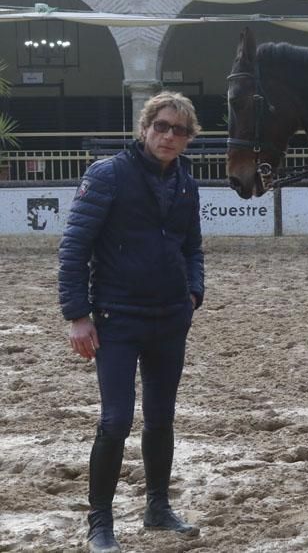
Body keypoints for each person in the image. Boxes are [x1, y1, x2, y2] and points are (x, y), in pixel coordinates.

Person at [58, 92, 205, 553]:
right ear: (144, 128)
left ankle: (157, 507)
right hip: (115, 319)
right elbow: (74, 248)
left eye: (179, 131)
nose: (169, 136)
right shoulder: (108, 175)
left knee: (161, 418)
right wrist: (77, 316)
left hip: (169, 318)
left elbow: (192, 247)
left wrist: (193, 293)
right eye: (162, 126)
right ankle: (100, 523)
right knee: (116, 419)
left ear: (188, 139)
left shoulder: (187, 182)